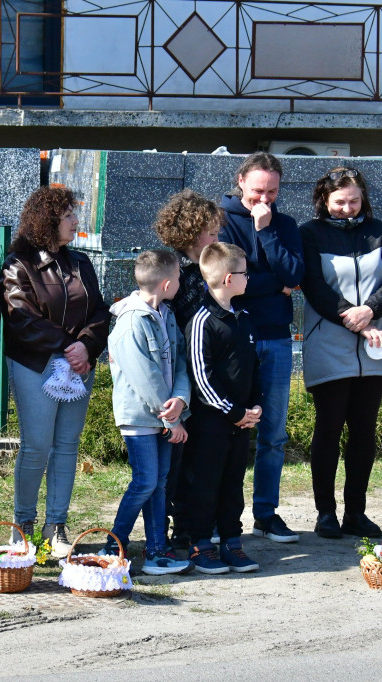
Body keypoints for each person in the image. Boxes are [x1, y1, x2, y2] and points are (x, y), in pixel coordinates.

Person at [0, 186, 110, 556]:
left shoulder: (81, 262)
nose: (76, 221)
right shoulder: (19, 264)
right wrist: (68, 346)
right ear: (47, 221)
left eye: (74, 214)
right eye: (68, 216)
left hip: (79, 364)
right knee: (37, 445)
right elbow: (21, 319)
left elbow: (100, 311)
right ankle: (23, 525)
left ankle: (56, 526)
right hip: (37, 364)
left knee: (67, 444)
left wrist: (87, 346)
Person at [299, 166, 382, 539]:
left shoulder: (379, 231)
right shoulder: (310, 233)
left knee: (364, 431)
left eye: (354, 201)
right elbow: (314, 286)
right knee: (329, 427)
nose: (348, 208)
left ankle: (355, 513)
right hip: (330, 342)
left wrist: (370, 311)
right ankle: (325, 513)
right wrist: (354, 318)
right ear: (324, 200)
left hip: (375, 345)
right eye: (340, 202)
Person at [220, 152, 304, 544]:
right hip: (237, 338)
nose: (264, 199)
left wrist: (267, 232)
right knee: (229, 430)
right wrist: (275, 283)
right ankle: (223, 517)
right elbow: (229, 282)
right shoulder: (222, 222)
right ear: (241, 182)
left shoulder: (284, 225)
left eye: (272, 192)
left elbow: (295, 274)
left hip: (277, 337)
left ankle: (266, 515)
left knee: (273, 434)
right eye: (257, 191)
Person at [101, 250, 193, 575]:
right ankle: (113, 546)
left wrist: (180, 399)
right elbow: (145, 377)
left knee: (159, 484)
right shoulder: (130, 322)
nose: (181, 283)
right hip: (140, 418)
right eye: (179, 277)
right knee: (145, 482)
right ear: (167, 284)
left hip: (165, 416)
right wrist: (172, 418)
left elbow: (180, 362)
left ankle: (156, 552)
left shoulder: (167, 315)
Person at [182, 242, 262, 574]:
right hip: (211, 424)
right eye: (245, 273)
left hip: (240, 422)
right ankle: (200, 544)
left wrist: (254, 407)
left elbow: (253, 366)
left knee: (233, 484)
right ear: (229, 279)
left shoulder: (244, 318)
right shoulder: (202, 321)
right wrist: (234, 412)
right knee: (206, 484)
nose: (248, 278)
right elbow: (202, 378)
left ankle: (231, 541)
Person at [152, 189, 221, 549]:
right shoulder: (172, 268)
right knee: (174, 459)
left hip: (206, 374)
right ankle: (167, 529)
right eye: (212, 232)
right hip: (177, 375)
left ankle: (193, 524)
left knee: (199, 457)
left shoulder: (212, 267)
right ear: (193, 233)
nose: (217, 238)